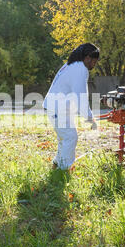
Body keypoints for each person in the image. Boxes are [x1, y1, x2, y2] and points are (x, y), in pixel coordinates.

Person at [43, 43, 99, 171]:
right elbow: (80, 96)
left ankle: (57, 165)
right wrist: (90, 117)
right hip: (58, 107)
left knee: (65, 138)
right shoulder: (80, 69)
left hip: (57, 107)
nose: (94, 65)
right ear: (87, 58)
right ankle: (63, 171)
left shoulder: (71, 65)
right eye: (94, 61)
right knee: (70, 137)